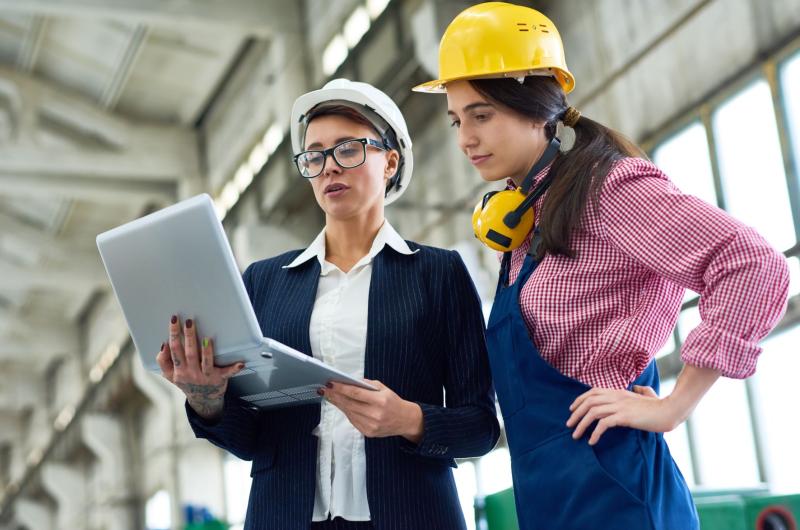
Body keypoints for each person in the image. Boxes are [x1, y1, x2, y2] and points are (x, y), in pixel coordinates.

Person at [413, 3, 790, 530]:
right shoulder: (525, 224)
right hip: (549, 500)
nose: (464, 139)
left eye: (482, 115)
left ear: (537, 102)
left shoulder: (607, 190)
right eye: (457, 119)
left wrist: (674, 406)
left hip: (615, 492)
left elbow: (752, 263)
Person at [156, 78, 500, 530]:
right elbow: (253, 439)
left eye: (348, 149)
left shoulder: (438, 274)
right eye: (315, 156)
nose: (330, 168)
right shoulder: (265, 281)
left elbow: (479, 426)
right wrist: (206, 397)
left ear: (390, 162)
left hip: (410, 513)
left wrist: (410, 419)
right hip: (285, 516)